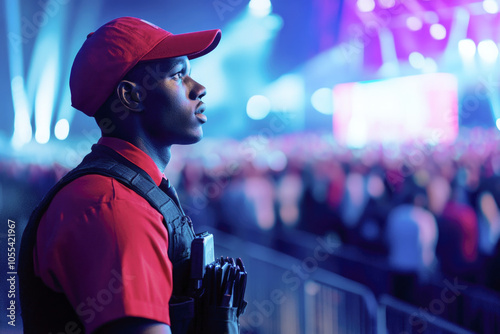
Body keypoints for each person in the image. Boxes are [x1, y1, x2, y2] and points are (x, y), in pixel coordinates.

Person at [19, 17, 237, 334]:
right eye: (179, 75)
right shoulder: (116, 207)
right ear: (131, 96)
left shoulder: (125, 192)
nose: (199, 89)